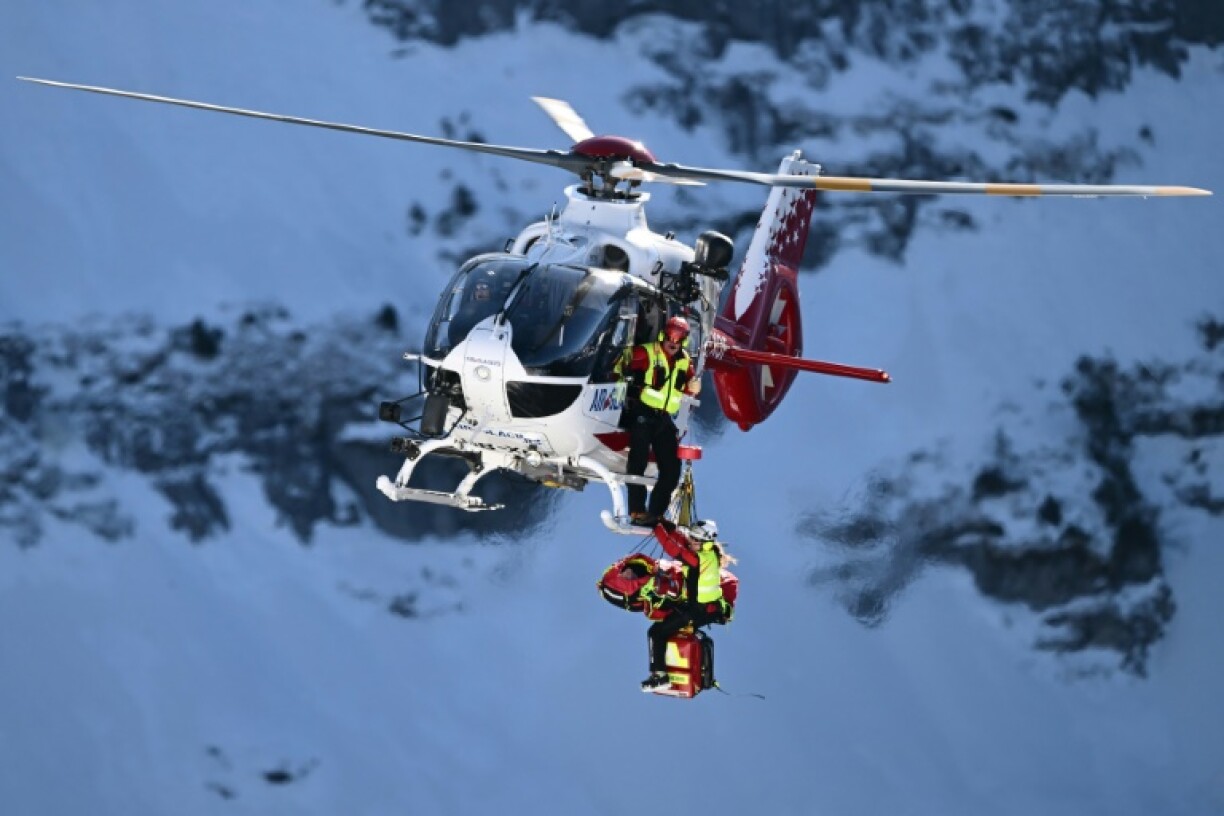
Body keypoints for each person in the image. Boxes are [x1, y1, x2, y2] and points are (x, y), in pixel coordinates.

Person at [615, 315, 700, 526]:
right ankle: (637, 511)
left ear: (684, 342)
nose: (673, 343)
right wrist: (619, 383)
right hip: (644, 413)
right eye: (670, 337)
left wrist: (693, 387)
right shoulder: (647, 352)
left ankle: (656, 514)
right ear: (663, 335)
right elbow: (621, 361)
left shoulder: (685, 361)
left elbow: (689, 386)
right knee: (638, 460)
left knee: (671, 469)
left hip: (664, 419)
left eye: (679, 339)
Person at [640, 519, 735, 691]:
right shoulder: (708, 552)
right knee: (665, 615)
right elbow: (682, 542)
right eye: (691, 537)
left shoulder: (697, 558)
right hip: (703, 608)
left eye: (695, 539)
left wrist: (656, 527)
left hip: (697, 610)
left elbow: (674, 549)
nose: (691, 541)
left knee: (656, 632)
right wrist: (667, 525)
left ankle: (660, 676)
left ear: (705, 541)